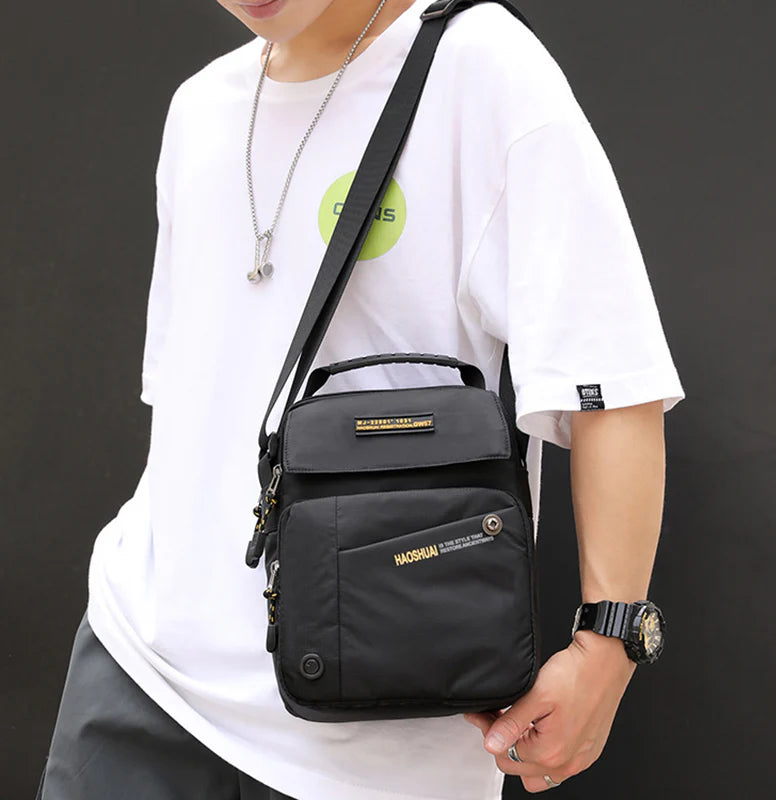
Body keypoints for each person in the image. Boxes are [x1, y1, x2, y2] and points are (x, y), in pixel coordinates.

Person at [37, 1, 685, 798]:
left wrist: (608, 647)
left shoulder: (478, 67)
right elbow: (190, 407)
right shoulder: (200, 108)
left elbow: (611, 381)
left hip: (380, 731)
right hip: (139, 672)